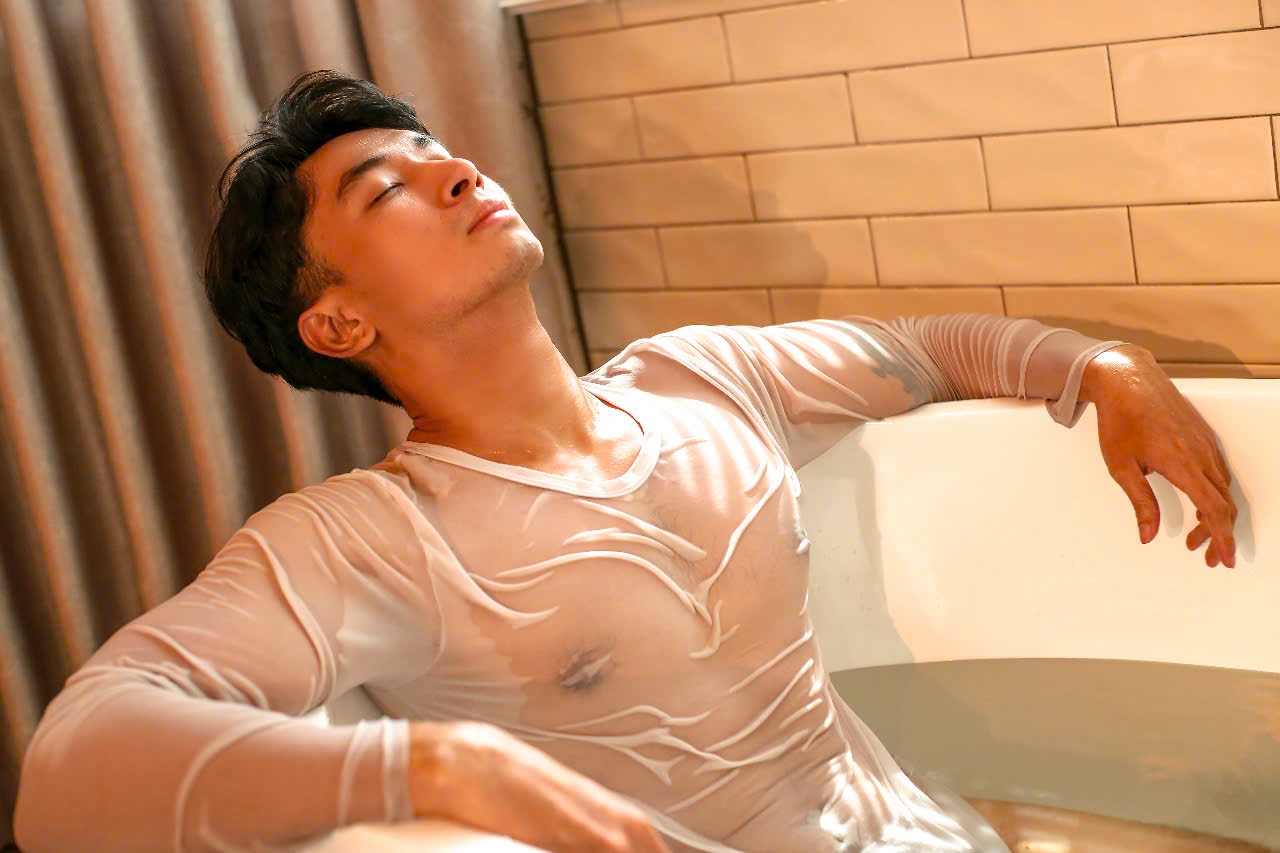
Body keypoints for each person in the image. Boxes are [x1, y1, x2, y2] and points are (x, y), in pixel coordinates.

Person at [14, 71, 1238, 853]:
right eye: (389, 190)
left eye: (437, 148)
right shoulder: (367, 541)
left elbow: (927, 351)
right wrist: (428, 766)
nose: (456, 170)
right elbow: (69, 770)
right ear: (335, 323)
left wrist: (1103, 367)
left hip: (929, 831)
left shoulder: (697, 378)